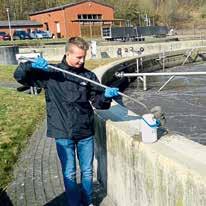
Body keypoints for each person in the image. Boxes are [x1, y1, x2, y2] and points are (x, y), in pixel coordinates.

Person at [13, 37, 119, 206]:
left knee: (86, 171)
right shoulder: (51, 73)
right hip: (62, 132)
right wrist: (30, 65)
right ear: (67, 53)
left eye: (84, 57)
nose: (82, 60)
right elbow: (20, 77)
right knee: (69, 172)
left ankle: (88, 201)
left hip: (85, 131)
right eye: (78, 57)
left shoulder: (88, 76)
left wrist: (105, 96)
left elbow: (98, 103)